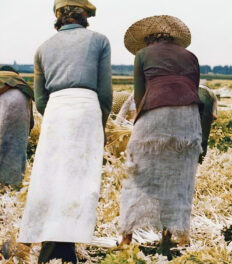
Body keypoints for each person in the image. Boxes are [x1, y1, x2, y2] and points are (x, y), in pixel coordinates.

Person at [18, 0, 112, 263]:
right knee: (80, 177)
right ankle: (65, 244)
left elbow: (40, 97)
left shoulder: (43, 48)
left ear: (59, 18)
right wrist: (101, 121)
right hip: (86, 107)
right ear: (84, 17)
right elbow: (104, 90)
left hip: (56, 110)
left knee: (50, 175)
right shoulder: (99, 41)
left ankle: (50, 242)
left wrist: (54, 117)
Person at [118, 15, 203, 250]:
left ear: (148, 40)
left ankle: (127, 237)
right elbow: (195, 90)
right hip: (188, 117)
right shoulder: (190, 56)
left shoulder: (142, 55)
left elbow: (139, 93)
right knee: (180, 175)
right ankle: (176, 236)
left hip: (155, 112)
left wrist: (137, 122)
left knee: (138, 172)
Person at [0, 66, 34, 186]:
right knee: (16, 151)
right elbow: (31, 123)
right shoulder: (23, 86)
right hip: (21, 103)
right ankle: (11, 186)